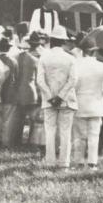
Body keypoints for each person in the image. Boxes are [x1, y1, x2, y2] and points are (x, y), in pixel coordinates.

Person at [36, 26, 77, 167]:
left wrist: (50, 97)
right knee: (66, 132)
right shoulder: (70, 58)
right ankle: (64, 163)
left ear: (51, 40)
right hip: (66, 100)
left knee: (50, 131)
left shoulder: (44, 57)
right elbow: (73, 80)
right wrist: (60, 96)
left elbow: (40, 80)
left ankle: (50, 161)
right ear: (63, 41)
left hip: (49, 101)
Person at [72, 50, 103, 167]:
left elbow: (72, 83)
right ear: (94, 53)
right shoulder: (101, 66)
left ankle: (79, 161)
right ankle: (92, 162)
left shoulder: (77, 65)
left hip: (80, 103)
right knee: (94, 135)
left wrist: (75, 93)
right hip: (96, 103)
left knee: (79, 135)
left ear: (82, 52)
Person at [0, 38, 19, 148]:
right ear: (9, 48)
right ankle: (5, 142)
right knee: (8, 120)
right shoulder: (14, 61)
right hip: (10, 93)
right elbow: (17, 78)